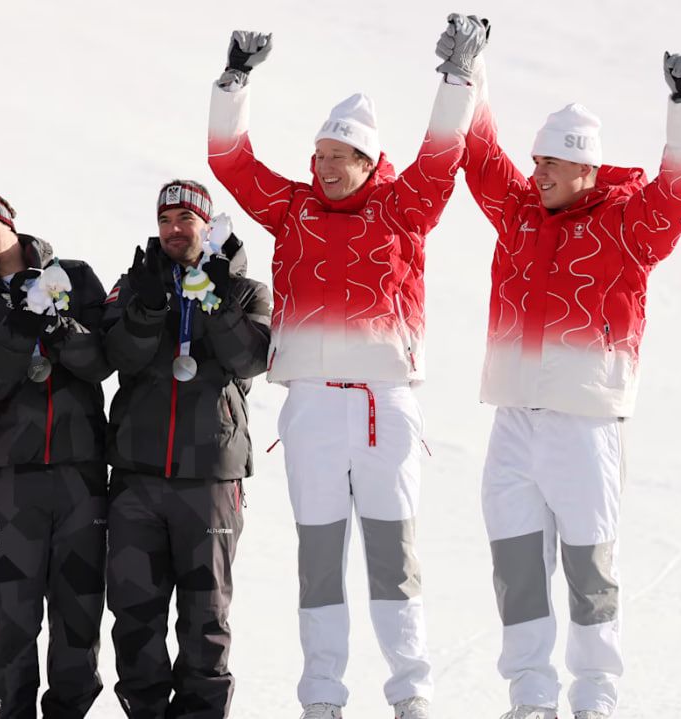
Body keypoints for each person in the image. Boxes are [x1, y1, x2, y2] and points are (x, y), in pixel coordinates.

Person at [206, 20, 487, 719]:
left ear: (368, 161)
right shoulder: (293, 209)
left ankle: (411, 691)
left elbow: (442, 154)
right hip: (311, 409)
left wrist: (458, 80)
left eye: (341, 156)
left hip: (384, 404)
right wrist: (234, 82)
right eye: (319, 154)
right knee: (321, 556)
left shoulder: (403, 207)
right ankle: (323, 697)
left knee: (393, 555)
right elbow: (231, 163)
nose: (325, 167)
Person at [447, 14, 681, 719]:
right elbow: (479, 153)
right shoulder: (521, 214)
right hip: (513, 421)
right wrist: (472, 71)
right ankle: (531, 696)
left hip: (585, 425)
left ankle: (595, 700)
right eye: (536, 163)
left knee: (591, 569)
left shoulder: (628, 225)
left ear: (586, 167)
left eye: (551, 165)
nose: (536, 175)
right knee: (518, 564)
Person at [0, 189, 111, 718]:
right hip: (11, 474)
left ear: (8, 222)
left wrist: (57, 323)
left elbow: (100, 362)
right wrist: (22, 323)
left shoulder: (73, 277)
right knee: (13, 614)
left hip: (80, 472)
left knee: (78, 610)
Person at [101, 180, 271, 719]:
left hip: (210, 478)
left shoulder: (247, 289)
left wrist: (218, 303)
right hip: (136, 477)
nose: (175, 230)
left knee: (207, 614)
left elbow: (252, 360)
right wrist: (147, 308)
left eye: (186, 219)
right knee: (134, 614)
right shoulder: (135, 283)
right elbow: (113, 357)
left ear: (207, 223)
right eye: (166, 220)